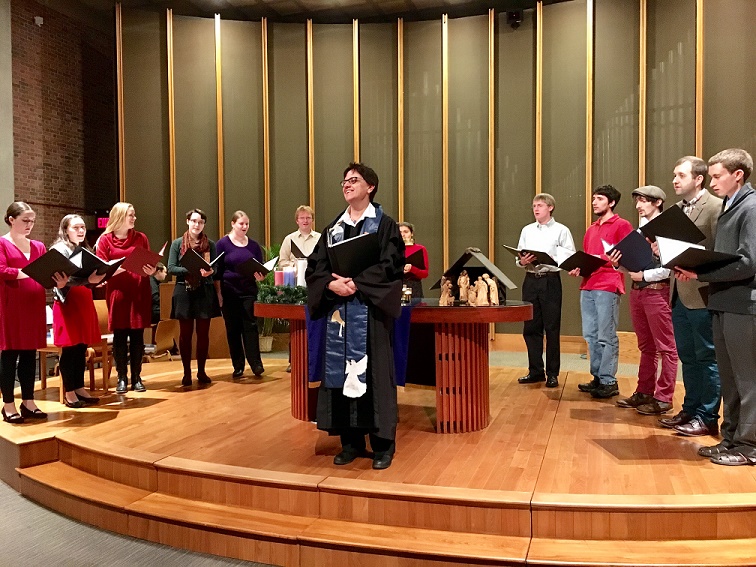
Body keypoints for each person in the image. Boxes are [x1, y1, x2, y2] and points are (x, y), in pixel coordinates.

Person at [306, 162, 404, 470]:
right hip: (340, 313)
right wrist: (331, 283)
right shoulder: (333, 229)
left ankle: (382, 445)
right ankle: (350, 442)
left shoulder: (384, 225)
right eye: (344, 181)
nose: (347, 184)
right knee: (341, 375)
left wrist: (357, 283)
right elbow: (315, 268)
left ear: (370, 187)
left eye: (354, 180)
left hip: (370, 314)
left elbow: (391, 265)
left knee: (374, 376)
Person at [675, 148, 756, 466]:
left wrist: (701, 270)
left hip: (743, 305)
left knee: (748, 378)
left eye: (717, 175)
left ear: (739, 175)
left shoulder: (751, 207)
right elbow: (721, 250)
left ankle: (750, 446)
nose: (712, 181)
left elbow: (749, 261)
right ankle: (732, 437)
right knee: (730, 377)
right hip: (723, 301)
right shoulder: (729, 207)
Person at [659, 156, 722, 437]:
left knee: (707, 357)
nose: (675, 180)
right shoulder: (675, 210)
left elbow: (720, 251)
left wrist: (697, 269)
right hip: (678, 292)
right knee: (687, 356)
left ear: (698, 179)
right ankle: (690, 408)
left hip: (701, 292)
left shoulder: (716, 208)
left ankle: (707, 416)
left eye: (681, 175)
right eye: (674, 174)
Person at [609, 187, 678, 415]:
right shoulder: (640, 231)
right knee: (646, 346)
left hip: (657, 290)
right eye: (637, 201)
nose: (639, 205)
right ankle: (644, 391)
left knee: (666, 347)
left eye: (644, 201)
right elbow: (635, 260)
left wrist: (645, 276)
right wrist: (617, 262)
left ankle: (664, 397)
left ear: (658, 202)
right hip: (638, 290)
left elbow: (671, 266)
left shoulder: (667, 229)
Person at [570, 185, 633, 399]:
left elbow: (626, 255)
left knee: (606, 335)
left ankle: (609, 380)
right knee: (590, 335)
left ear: (611, 202)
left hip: (608, 284)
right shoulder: (591, 228)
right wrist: (579, 267)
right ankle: (597, 376)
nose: (594, 202)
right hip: (588, 284)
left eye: (599, 199)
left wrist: (603, 261)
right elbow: (588, 256)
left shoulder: (622, 225)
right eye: (593, 199)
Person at [515, 193, 575, 388]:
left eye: (540, 205)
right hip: (531, 280)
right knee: (531, 328)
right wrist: (522, 261)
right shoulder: (527, 230)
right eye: (533, 205)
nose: (536, 209)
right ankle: (535, 371)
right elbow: (519, 256)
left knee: (552, 328)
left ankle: (552, 373)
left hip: (550, 281)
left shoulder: (561, 230)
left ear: (550, 207)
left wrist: (552, 258)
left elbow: (569, 256)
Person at [96, 202, 156, 394]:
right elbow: (101, 271)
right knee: (120, 336)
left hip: (139, 290)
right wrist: (122, 267)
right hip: (118, 293)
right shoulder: (105, 240)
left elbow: (148, 263)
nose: (134, 218)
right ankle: (121, 377)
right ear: (120, 216)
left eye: (134, 214)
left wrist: (151, 270)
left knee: (138, 336)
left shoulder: (141, 238)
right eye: (131, 215)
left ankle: (137, 377)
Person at [0, 202, 52, 423]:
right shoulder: (2, 243)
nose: (30, 225)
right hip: (11, 307)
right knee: (10, 355)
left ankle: (28, 402)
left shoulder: (39, 246)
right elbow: (3, 271)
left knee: (30, 354)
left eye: (32, 221)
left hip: (34, 306)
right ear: (12, 220)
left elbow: (47, 271)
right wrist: (30, 273)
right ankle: (8, 404)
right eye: (25, 220)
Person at [50, 214, 105, 408]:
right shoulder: (58, 250)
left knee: (81, 347)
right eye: (76, 228)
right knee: (70, 348)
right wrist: (88, 280)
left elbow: (85, 278)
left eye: (82, 227)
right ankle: (69, 392)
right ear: (66, 230)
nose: (81, 231)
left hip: (83, 300)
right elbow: (60, 280)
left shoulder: (84, 249)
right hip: (68, 304)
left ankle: (80, 387)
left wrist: (96, 279)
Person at [168, 209, 222, 387]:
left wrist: (209, 271)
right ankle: (186, 372)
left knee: (203, 334)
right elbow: (171, 268)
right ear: (187, 222)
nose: (197, 225)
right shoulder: (178, 244)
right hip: (184, 291)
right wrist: (190, 269)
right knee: (185, 335)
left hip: (204, 291)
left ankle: (201, 370)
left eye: (200, 222)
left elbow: (216, 269)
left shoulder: (210, 244)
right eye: (194, 221)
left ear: (204, 224)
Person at [216, 210, 265, 378]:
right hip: (229, 291)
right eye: (241, 224)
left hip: (249, 291)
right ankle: (238, 365)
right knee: (233, 329)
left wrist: (261, 275)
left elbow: (261, 267)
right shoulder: (222, 244)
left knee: (250, 327)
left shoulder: (253, 245)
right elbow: (217, 271)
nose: (244, 227)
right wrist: (219, 295)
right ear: (233, 224)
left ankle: (256, 364)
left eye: (247, 224)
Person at [398, 221, 429, 299]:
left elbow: (425, 273)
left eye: (406, 232)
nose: (402, 235)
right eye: (400, 232)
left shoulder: (420, 249)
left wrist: (412, 269)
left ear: (411, 233)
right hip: (395, 286)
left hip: (414, 287)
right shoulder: (391, 249)